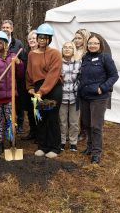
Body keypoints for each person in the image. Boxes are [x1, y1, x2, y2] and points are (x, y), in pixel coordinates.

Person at [78, 33, 119, 164]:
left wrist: (103, 88)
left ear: (100, 45)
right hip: (85, 96)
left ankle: (96, 152)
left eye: (95, 43)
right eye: (90, 43)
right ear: (87, 45)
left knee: (96, 125)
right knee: (87, 124)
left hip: (99, 98)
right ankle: (89, 147)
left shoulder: (105, 58)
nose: (92, 45)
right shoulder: (85, 58)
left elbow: (114, 76)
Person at [26, 23, 62, 158]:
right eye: (40, 37)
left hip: (53, 87)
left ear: (49, 39)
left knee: (52, 117)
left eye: (45, 38)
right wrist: (30, 87)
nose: (42, 40)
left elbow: (53, 74)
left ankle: (55, 147)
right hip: (37, 88)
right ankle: (42, 146)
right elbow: (29, 72)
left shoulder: (55, 53)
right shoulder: (31, 54)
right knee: (40, 117)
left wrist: (42, 91)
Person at [1, 19, 26, 134]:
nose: (5, 29)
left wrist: (17, 61)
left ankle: (20, 124)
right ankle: (8, 123)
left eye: (8, 27)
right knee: (5, 103)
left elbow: (23, 60)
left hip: (16, 78)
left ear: (12, 29)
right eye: (4, 27)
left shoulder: (18, 44)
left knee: (19, 103)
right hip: (3, 79)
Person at [59, 41, 81, 152]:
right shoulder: (58, 62)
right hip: (62, 96)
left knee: (74, 121)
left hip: (75, 96)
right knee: (62, 121)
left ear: (73, 50)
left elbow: (81, 78)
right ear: (62, 50)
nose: (67, 49)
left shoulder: (78, 62)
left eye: (70, 47)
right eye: (65, 47)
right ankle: (62, 141)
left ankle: (73, 142)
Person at [73, 28, 91, 142]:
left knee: (84, 110)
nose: (76, 40)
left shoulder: (87, 53)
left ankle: (84, 132)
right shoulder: (73, 50)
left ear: (85, 39)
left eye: (79, 38)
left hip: (83, 84)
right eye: (75, 38)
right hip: (72, 83)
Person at [22, 30, 38, 141]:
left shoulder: (42, 52)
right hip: (27, 86)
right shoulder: (25, 53)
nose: (32, 40)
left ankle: (40, 133)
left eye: (34, 38)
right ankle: (33, 132)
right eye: (30, 39)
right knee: (30, 110)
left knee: (38, 110)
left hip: (39, 86)